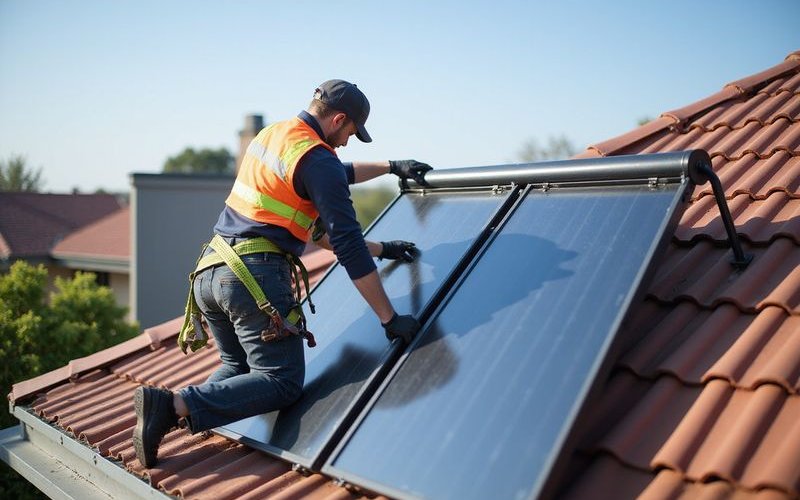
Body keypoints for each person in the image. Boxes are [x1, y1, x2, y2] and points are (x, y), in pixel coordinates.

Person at [132, 79, 433, 468]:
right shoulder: (318, 158)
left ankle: (162, 417)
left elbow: (331, 187)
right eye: (350, 133)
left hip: (212, 269)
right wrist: (389, 319)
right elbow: (346, 243)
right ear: (339, 119)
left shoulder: (276, 135)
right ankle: (170, 406)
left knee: (237, 367)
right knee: (282, 382)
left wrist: (392, 170)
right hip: (252, 278)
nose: (346, 142)